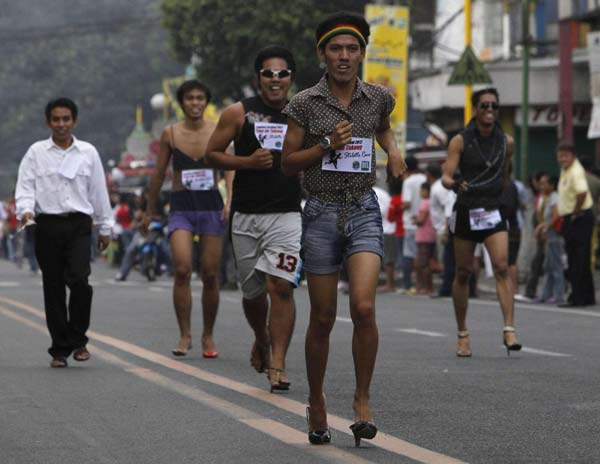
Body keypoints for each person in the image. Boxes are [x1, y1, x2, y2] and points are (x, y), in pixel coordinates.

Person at [281, 12, 406, 446]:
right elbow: (287, 163)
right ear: (322, 53)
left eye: (352, 49)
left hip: (363, 209)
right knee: (323, 316)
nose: (344, 56)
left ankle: (362, 401)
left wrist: (392, 152)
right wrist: (325, 145)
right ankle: (316, 401)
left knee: (365, 308)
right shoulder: (303, 103)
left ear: (362, 54)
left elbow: (383, 131)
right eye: (336, 49)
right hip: (319, 212)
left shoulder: (379, 98)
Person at [205, 46, 301, 392]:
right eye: (268, 74)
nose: (275, 81)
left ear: (292, 77)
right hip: (246, 216)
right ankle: (261, 336)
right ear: (257, 77)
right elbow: (211, 154)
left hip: (288, 214)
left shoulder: (302, 111)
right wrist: (246, 163)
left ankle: (278, 362)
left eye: (282, 74)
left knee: (281, 286)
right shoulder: (239, 113)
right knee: (254, 293)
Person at [15, 97, 113, 368]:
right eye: (56, 119)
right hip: (47, 225)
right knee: (54, 286)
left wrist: (105, 227)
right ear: (48, 122)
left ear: (74, 121)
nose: (61, 124)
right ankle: (60, 349)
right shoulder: (36, 152)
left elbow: (98, 192)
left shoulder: (88, 153)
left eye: (66, 119)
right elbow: (25, 187)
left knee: (80, 280)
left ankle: (78, 337)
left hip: (79, 224)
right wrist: (25, 210)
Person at [143, 80, 232, 358]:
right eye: (190, 98)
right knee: (182, 269)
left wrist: (230, 199)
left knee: (209, 273)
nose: (195, 103)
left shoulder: (218, 128)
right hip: (181, 207)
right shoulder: (170, 133)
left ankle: (208, 335)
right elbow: (159, 173)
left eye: (200, 98)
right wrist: (148, 210)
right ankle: (185, 334)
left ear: (206, 102)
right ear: (182, 103)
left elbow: (230, 166)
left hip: (210, 207)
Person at [441, 87, 522, 358]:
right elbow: (446, 175)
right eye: (484, 105)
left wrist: (505, 199)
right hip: (466, 208)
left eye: (494, 106)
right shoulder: (460, 141)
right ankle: (462, 334)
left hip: (492, 209)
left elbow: (505, 174)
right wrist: (453, 184)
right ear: (475, 109)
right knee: (463, 272)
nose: (490, 111)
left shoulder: (506, 142)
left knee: (501, 266)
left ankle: (509, 329)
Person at [556, 144, 595, 307]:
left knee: (576, 260)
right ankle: (587, 297)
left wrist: (575, 213)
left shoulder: (575, 171)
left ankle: (577, 298)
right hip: (574, 218)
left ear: (573, 156)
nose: (562, 159)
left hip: (579, 218)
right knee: (580, 259)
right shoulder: (566, 170)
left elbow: (582, 192)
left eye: (566, 156)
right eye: (560, 156)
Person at [400, 156, 426, 294]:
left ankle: (408, 285)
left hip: (411, 222)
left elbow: (407, 203)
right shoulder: (424, 178)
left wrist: (400, 207)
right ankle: (421, 284)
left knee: (409, 254)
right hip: (424, 222)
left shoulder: (408, 181)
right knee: (422, 254)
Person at [537, 175, 565, 304]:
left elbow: (555, 216)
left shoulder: (554, 198)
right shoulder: (544, 198)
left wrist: (544, 228)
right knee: (548, 266)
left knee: (556, 266)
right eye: (540, 184)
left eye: (544, 184)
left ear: (552, 185)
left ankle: (559, 295)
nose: (541, 186)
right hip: (548, 235)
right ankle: (546, 294)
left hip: (554, 235)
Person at [373, 183, 396, 293]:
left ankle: (389, 284)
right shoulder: (380, 192)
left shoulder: (374, 192)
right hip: (385, 228)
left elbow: (380, 210)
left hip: (386, 228)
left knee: (387, 259)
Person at [414, 182, 436, 295]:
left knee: (423, 264)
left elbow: (420, 220)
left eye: (423, 190)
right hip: (431, 235)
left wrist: (414, 220)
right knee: (426, 262)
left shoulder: (424, 203)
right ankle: (427, 287)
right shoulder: (432, 202)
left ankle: (427, 288)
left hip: (423, 236)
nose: (421, 193)